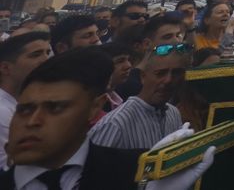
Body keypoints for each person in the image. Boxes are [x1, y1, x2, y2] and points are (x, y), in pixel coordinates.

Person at [0, 48, 211, 190]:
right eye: (24, 110)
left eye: (55, 108)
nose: (33, 121)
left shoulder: (131, 172)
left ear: (94, 107)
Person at [88, 44, 187, 150]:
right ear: (143, 76)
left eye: (176, 73)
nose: (168, 80)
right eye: (160, 74)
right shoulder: (115, 124)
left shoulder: (173, 113)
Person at [0, 33, 51, 169]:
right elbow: (10, 169)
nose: (46, 60)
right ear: (5, 68)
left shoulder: (26, 103)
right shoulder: (2, 111)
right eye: (35, 55)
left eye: (47, 53)